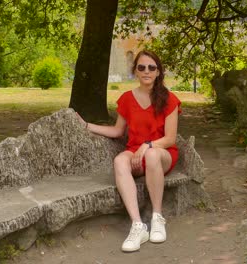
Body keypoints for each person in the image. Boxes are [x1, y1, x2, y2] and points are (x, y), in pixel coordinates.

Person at [77, 50, 181, 252]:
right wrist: (86, 126)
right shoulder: (126, 99)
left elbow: (170, 139)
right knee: (119, 161)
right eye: (141, 67)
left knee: (151, 155)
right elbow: (117, 131)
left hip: (162, 153)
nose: (146, 71)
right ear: (135, 71)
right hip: (135, 152)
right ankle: (137, 226)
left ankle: (157, 218)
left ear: (158, 72)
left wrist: (148, 145)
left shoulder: (169, 99)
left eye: (151, 67)